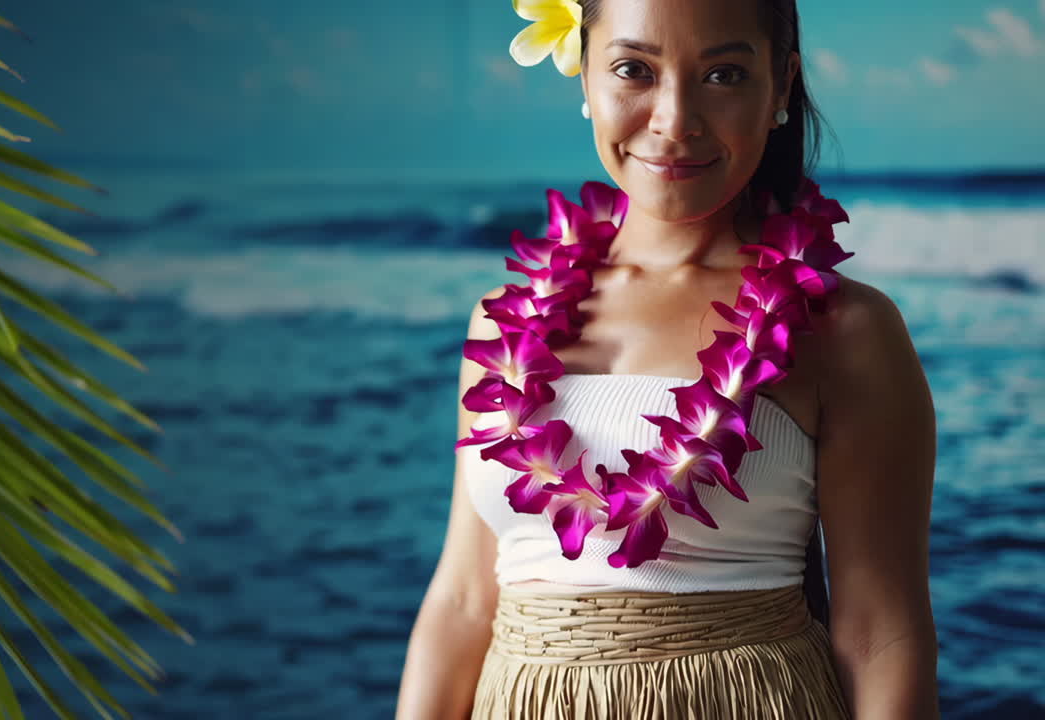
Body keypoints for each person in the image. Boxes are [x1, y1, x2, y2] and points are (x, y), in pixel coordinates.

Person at [394, 0, 940, 718]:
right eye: (632, 70)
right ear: (585, 78)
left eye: (723, 74)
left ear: (780, 88)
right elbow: (463, 603)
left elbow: (881, 634)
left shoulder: (845, 330)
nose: (674, 120)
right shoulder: (504, 324)